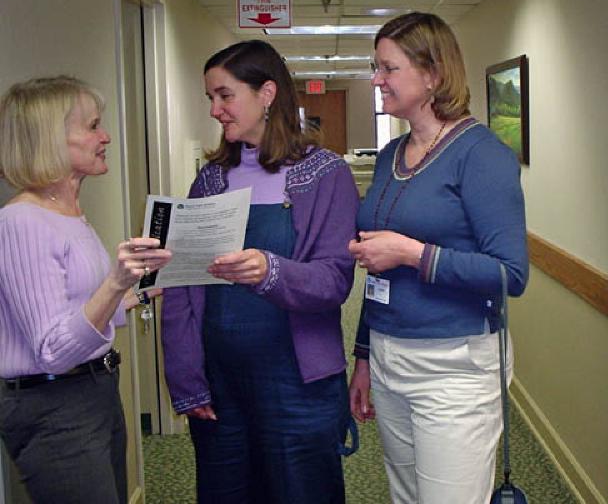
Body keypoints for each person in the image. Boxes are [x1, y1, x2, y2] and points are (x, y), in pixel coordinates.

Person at [161, 40, 360, 504]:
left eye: (225, 96)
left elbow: (334, 281)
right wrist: (186, 379)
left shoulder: (324, 174)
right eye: (210, 97)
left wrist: (270, 271)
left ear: (267, 93)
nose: (215, 110)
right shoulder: (210, 180)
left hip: (299, 384)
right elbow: (184, 289)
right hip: (220, 385)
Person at [348, 12, 529, 504]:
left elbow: (508, 274)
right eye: (375, 66)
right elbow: (375, 265)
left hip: (454, 368)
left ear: (432, 75)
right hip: (388, 354)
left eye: (388, 68)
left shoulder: (482, 155)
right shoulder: (390, 155)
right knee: (406, 496)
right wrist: (364, 356)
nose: (376, 79)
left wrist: (412, 254)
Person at [0, 76, 171, 504]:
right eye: (92, 126)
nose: (105, 136)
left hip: (94, 391)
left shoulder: (68, 213)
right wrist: (115, 280)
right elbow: (53, 348)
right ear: (49, 141)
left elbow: (80, 309)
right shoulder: (22, 222)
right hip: (54, 403)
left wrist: (142, 291)